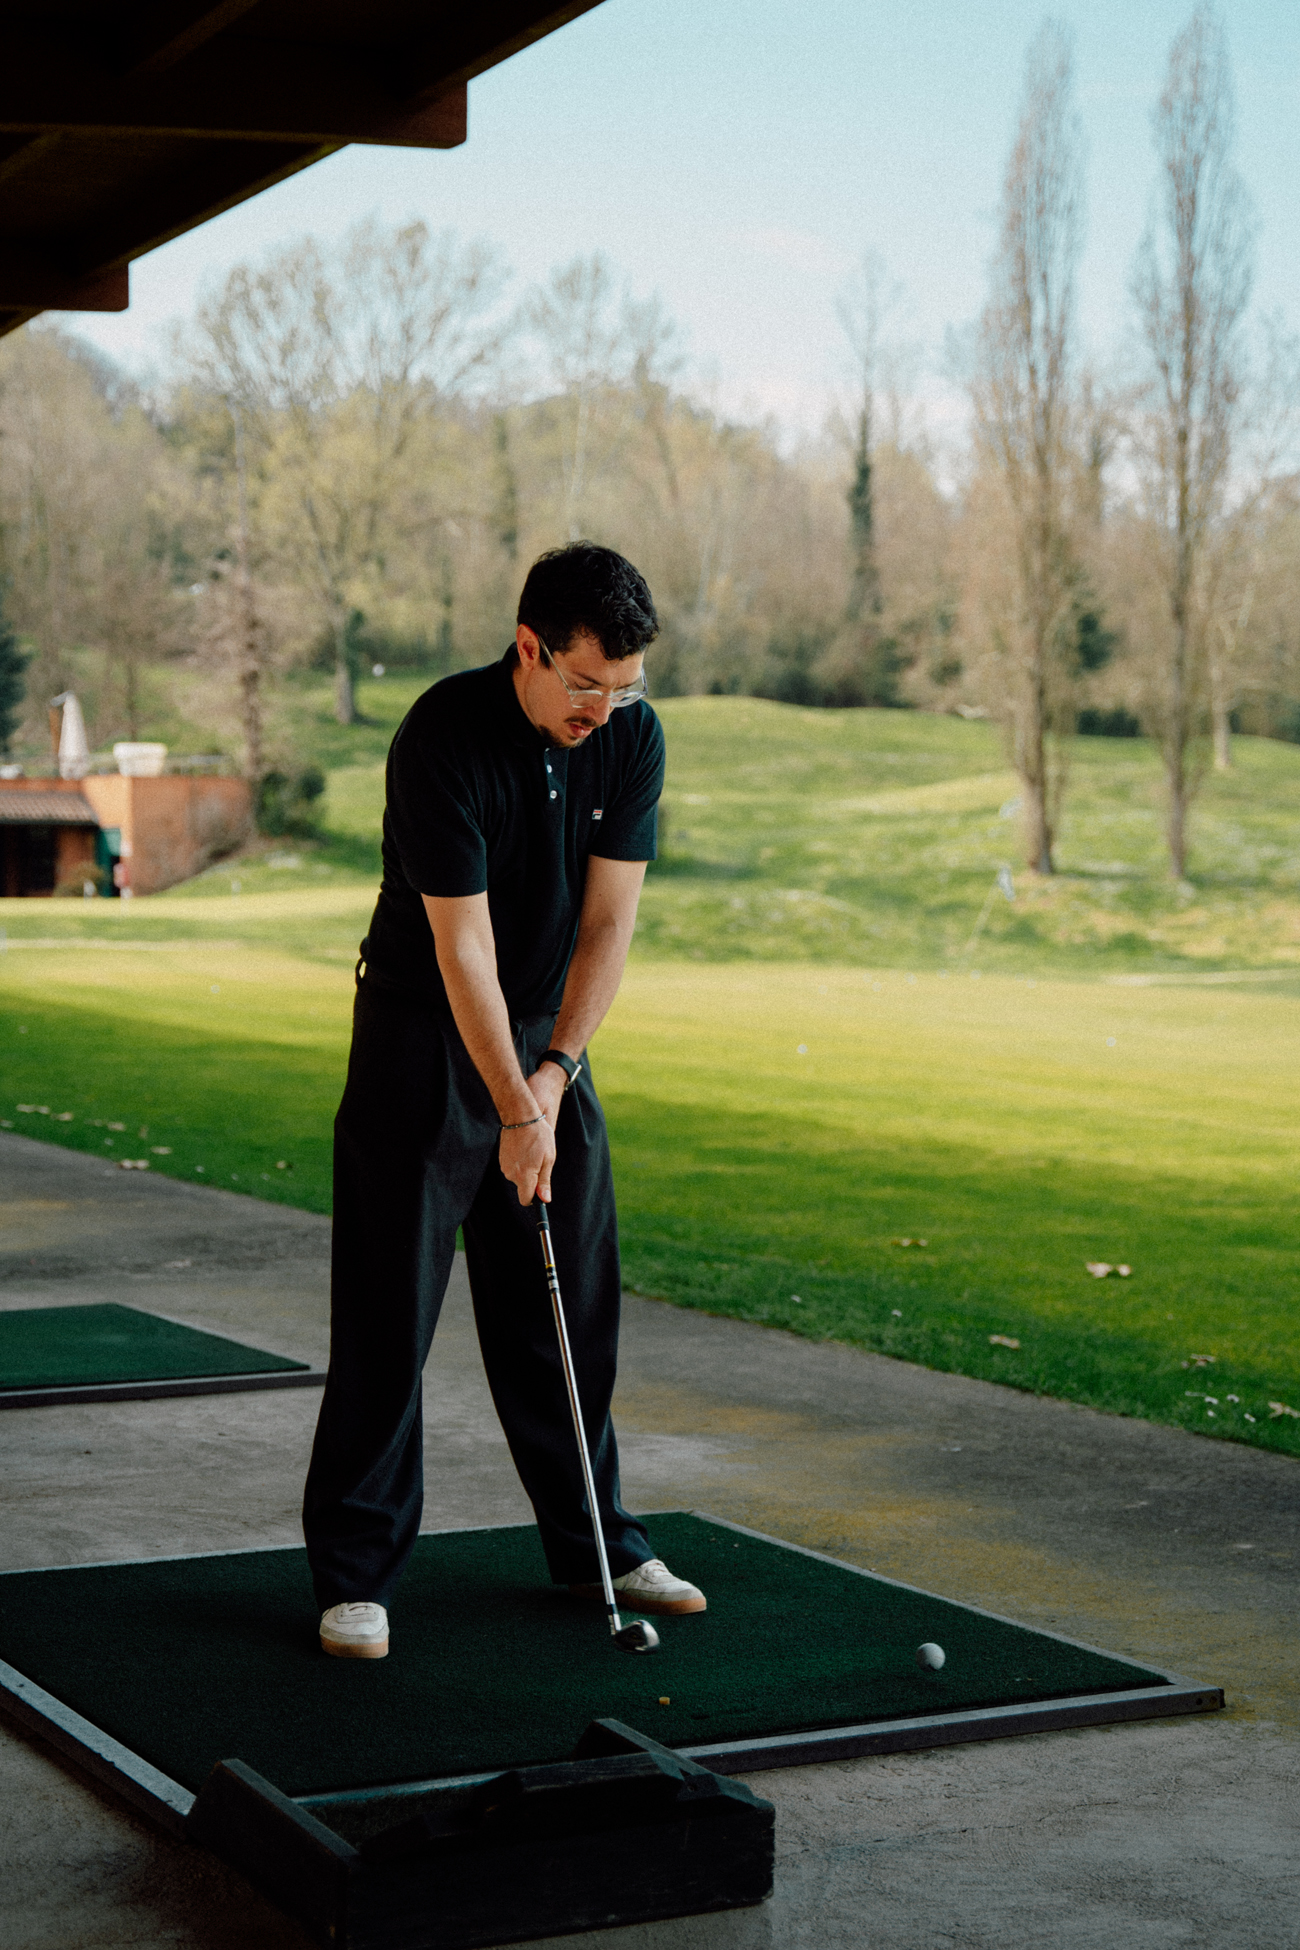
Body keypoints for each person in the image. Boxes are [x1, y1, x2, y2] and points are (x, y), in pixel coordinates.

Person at [302, 541, 707, 1658]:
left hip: (544, 1038)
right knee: (390, 1313)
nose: (603, 709)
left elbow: (608, 924)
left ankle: (598, 1547)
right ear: (528, 648)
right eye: (584, 683)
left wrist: (553, 1077)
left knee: (568, 1308)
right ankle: (356, 1577)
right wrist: (515, 1115)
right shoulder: (443, 735)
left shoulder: (630, 736)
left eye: (624, 687)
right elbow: (462, 951)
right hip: (420, 1034)